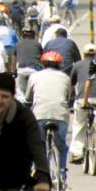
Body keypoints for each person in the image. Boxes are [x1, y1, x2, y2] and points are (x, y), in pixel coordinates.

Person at [25, 51, 72, 183]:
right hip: (60, 115)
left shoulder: (34, 77)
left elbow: (28, 98)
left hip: (40, 115)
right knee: (61, 145)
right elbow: (67, 98)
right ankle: (62, 173)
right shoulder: (65, 78)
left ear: (42, 63)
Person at [69, 43, 96, 164]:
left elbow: (71, 85)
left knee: (79, 124)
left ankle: (77, 153)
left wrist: (69, 99)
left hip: (82, 98)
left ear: (83, 54)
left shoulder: (77, 65)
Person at [15, 26, 42, 101]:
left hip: (21, 71)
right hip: (34, 70)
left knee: (19, 89)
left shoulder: (18, 44)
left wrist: (13, 71)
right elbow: (41, 58)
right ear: (33, 35)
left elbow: (14, 59)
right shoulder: (37, 44)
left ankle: (22, 102)